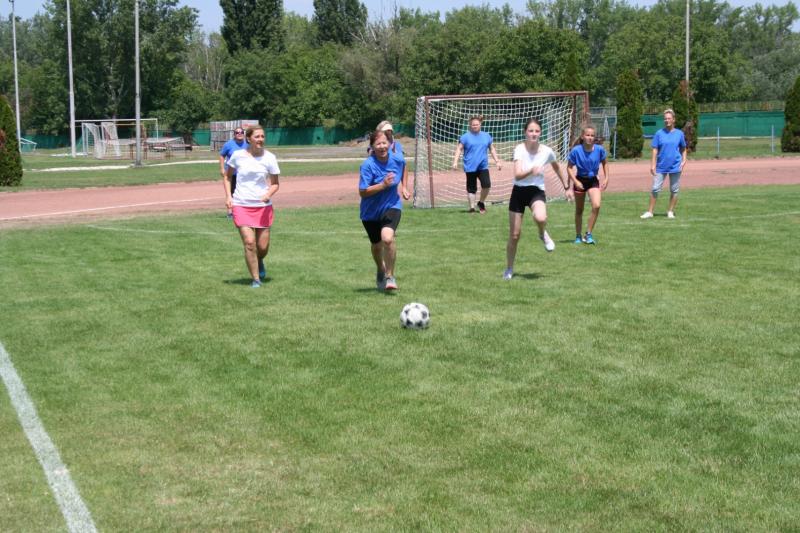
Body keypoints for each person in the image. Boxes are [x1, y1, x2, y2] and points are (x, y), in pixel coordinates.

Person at [504, 118, 571, 280]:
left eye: (537, 131)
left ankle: (542, 234)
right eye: (530, 131)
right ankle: (509, 269)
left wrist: (566, 187)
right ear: (525, 132)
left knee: (541, 217)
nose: (534, 134)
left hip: (536, 191)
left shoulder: (547, 151)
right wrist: (531, 170)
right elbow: (517, 175)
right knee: (514, 235)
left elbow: (556, 167)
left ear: (540, 133)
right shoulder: (519, 149)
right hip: (519, 192)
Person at [224, 125, 280, 288]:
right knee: (249, 243)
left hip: (263, 207)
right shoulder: (237, 156)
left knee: (262, 247)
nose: (260, 139)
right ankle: (256, 279)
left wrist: (268, 194)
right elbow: (227, 177)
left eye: (262, 136)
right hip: (241, 204)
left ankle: (259, 259)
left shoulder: (270, 158)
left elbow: (275, 184)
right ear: (249, 138)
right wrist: (228, 196)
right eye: (257, 136)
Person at [359, 129, 411, 291]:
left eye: (384, 143)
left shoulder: (397, 159)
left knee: (387, 239)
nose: (382, 146)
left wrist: (404, 187)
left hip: (392, 205)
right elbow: (363, 192)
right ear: (372, 147)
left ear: (389, 144)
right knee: (376, 246)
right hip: (370, 212)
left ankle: (390, 276)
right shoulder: (368, 165)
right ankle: (380, 268)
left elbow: (404, 167)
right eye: (378, 144)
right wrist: (382, 185)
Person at [641, 108, 687, 219]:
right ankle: (650, 212)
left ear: (673, 119)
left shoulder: (679, 134)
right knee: (655, 189)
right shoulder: (659, 133)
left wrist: (684, 160)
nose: (667, 120)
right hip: (661, 166)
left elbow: (683, 148)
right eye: (665, 119)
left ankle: (670, 211)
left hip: (675, 166)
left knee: (674, 190)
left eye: (669, 118)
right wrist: (653, 165)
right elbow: (655, 150)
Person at [567, 125, 609, 244]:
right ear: (582, 136)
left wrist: (607, 178)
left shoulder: (599, 150)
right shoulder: (576, 151)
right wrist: (576, 181)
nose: (590, 137)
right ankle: (578, 236)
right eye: (587, 135)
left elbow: (605, 163)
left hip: (593, 181)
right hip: (580, 180)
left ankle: (588, 234)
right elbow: (569, 168)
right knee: (579, 210)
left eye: (592, 135)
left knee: (596, 205)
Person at [451, 115, 502, 213]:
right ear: (470, 125)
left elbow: (492, 149)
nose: (475, 126)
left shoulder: (486, 136)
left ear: (480, 124)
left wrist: (497, 161)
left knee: (486, 185)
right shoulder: (465, 137)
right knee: (471, 188)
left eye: (477, 124)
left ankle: (481, 202)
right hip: (470, 166)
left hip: (483, 166)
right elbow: (459, 149)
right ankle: (472, 208)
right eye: (473, 125)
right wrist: (455, 161)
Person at [219, 126, 248, 218]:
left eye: (241, 132)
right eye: (237, 132)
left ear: (243, 134)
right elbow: (222, 155)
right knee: (230, 192)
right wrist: (222, 168)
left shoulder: (247, 144)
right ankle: (230, 212)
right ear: (234, 134)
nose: (239, 134)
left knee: (243, 192)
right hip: (231, 173)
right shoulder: (229, 144)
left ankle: (242, 211)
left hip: (243, 173)